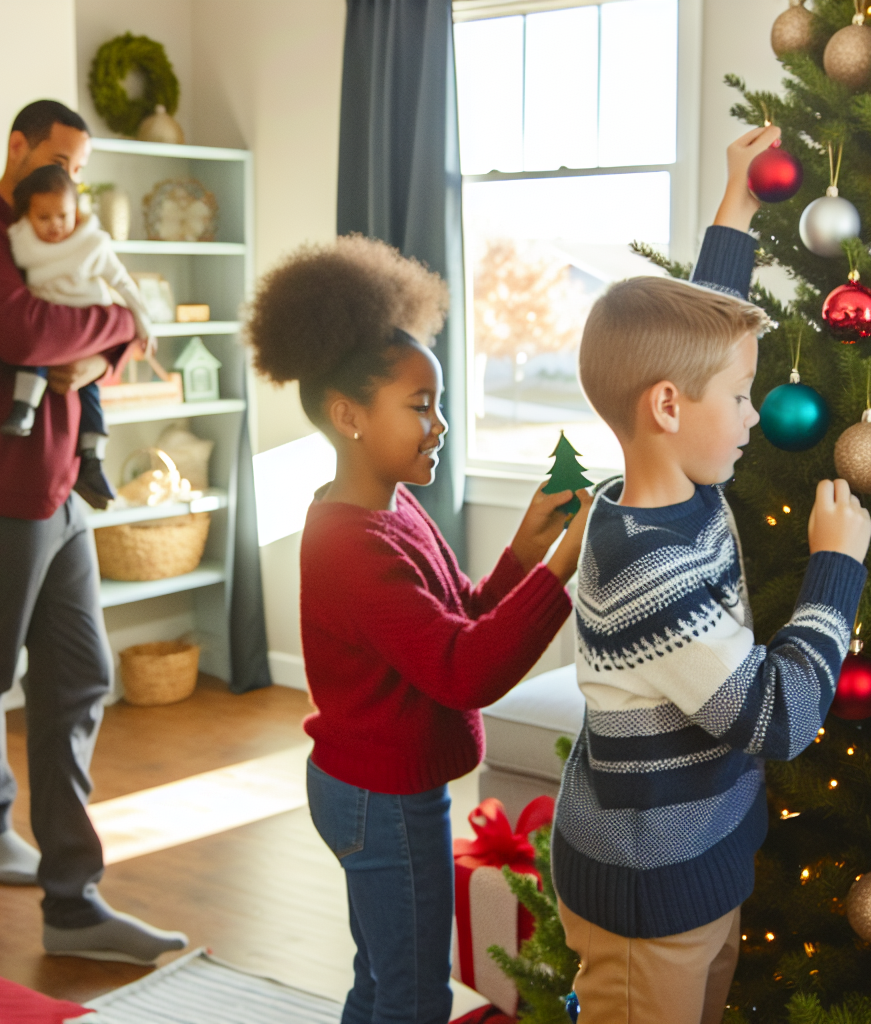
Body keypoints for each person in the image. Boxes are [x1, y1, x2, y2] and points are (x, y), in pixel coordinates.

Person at [551, 126, 871, 1024]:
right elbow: (776, 718)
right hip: (641, 904)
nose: (752, 414)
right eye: (739, 398)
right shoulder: (648, 567)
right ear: (668, 407)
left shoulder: (679, 475)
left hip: (702, 867)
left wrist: (739, 197)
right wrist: (834, 570)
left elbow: (709, 319)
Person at [244, 233, 593, 1024]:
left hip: (378, 786)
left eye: (437, 404)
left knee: (381, 982)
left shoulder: (388, 510)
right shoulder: (352, 543)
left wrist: (524, 552)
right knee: (410, 994)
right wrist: (557, 575)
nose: (438, 425)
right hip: (382, 797)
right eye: (419, 406)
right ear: (348, 417)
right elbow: (462, 670)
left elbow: (454, 616)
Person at [0, 99, 187, 964]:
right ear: (17, 148)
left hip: (61, 487)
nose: (71, 180)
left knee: (80, 676)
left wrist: (103, 341)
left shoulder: (66, 231)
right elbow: (30, 330)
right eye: (61, 161)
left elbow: (95, 323)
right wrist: (116, 328)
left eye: (79, 168)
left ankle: (73, 905)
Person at [1, 163, 154, 509]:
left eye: (63, 216)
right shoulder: (21, 243)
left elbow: (123, 284)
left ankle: (94, 458)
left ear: (77, 213)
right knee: (36, 355)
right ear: (28, 216)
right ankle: (23, 409)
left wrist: (144, 323)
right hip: (48, 326)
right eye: (44, 218)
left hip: (87, 321)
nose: (55, 226)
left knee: (90, 396)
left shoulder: (90, 247)